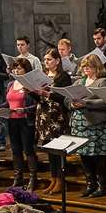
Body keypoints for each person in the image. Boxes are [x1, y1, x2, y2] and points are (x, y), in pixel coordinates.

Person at [69, 54, 106, 197]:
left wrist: (86, 103)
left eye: (89, 67)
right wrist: (72, 104)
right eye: (84, 67)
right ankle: (90, 184)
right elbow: (66, 99)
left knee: (98, 155)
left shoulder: (102, 81)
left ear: (97, 67)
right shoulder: (79, 82)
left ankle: (103, 185)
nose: (86, 70)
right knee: (84, 155)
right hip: (79, 124)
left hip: (97, 125)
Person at [35, 48, 72, 195]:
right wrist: (32, 92)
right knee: (49, 150)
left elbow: (64, 98)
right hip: (44, 116)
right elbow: (40, 99)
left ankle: (61, 181)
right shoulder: (43, 75)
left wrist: (48, 94)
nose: (46, 62)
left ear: (57, 61)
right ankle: (53, 179)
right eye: (45, 59)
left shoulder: (63, 77)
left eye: (49, 59)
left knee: (58, 150)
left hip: (57, 116)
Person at [5, 57, 39, 189]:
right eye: (15, 68)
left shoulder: (30, 85)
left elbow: (37, 105)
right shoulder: (10, 84)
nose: (16, 70)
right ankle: (18, 178)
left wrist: (23, 109)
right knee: (16, 150)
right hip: (12, 121)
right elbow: (8, 102)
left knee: (28, 150)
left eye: (19, 68)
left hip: (26, 121)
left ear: (26, 70)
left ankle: (32, 178)